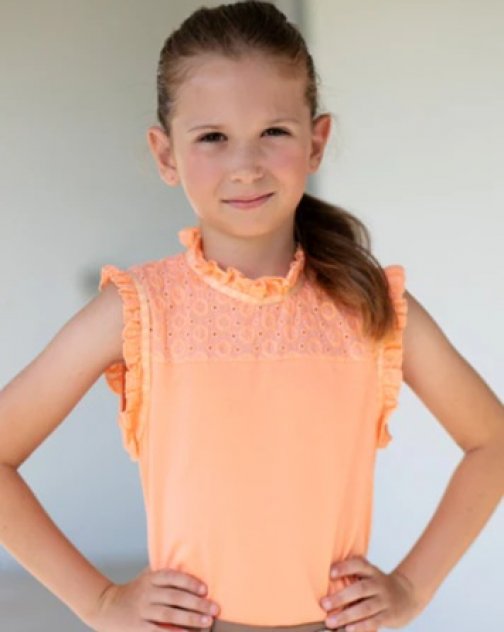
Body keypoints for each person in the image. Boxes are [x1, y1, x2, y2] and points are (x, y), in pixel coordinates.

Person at [0, 1, 502, 631]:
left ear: (316, 141)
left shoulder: (372, 305)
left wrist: (410, 586)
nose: (246, 165)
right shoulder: (139, 309)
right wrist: (99, 602)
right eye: (213, 137)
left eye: (274, 132)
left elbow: (492, 442)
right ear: (165, 154)